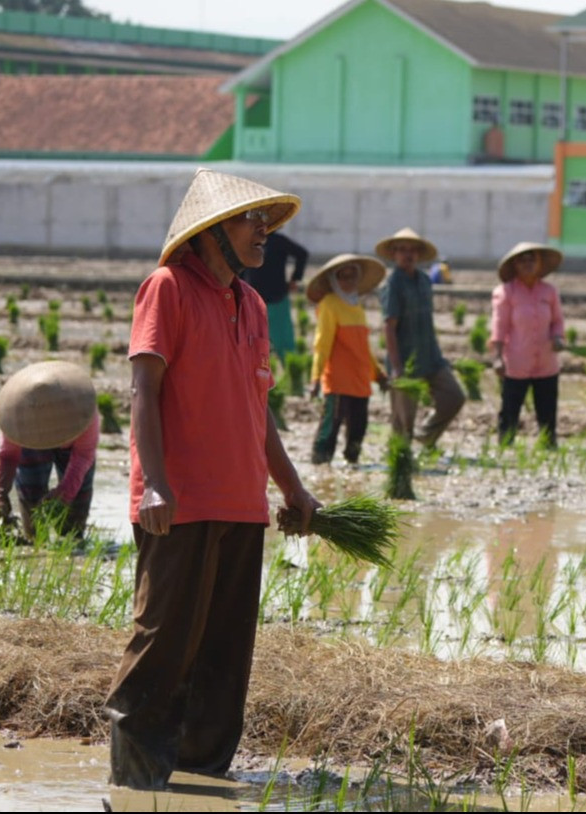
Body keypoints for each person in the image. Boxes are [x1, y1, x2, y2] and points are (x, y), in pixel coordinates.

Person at [105, 168, 319, 790]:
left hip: (242, 504)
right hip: (180, 501)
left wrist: (292, 488)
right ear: (209, 233)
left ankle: (200, 779)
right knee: (163, 643)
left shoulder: (251, 304)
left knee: (225, 655)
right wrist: (154, 484)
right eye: (251, 221)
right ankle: (135, 783)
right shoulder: (166, 288)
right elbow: (144, 388)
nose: (263, 233)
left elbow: (260, 410)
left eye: (265, 223)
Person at [0, 360, 98, 542]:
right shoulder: (18, 418)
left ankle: (73, 538)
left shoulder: (83, 414)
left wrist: (63, 494)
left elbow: (83, 457)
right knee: (31, 498)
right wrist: (1, 497)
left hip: (73, 447)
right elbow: (8, 456)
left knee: (77, 502)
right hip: (30, 444)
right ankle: (35, 540)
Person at [378, 227, 464, 448]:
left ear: (418, 254)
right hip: (404, 361)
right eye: (402, 250)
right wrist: (397, 367)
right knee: (403, 420)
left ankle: (425, 437)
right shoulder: (392, 284)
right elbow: (389, 326)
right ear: (394, 254)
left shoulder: (425, 281)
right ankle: (401, 464)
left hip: (431, 357)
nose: (408, 254)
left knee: (454, 397)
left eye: (412, 250)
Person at [306, 253, 388, 465]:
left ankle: (352, 465)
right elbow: (322, 343)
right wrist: (315, 377)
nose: (349, 281)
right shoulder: (330, 304)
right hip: (338, 380)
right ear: (334, 280)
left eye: (353, 276)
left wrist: (377, 373)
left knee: (358, 429)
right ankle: (320, 466)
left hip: (360, 379)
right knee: (330, 427)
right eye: (344, 276)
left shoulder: (356, 306)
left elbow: (363, 348)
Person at [490, 242, 566, 447]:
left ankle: (548, 446)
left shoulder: (549, 292)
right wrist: (497, 358)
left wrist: (558, 337)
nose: (527, 263)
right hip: (516, 362)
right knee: (510, 409)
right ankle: (505, 447)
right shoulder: (506, 292)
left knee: (547, 409)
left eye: (532, 258)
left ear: (540, 263)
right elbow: (500, 326)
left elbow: (557, 321)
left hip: (546, 361)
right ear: (515, 266)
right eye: (522, 260)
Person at [240, 231, 310, 364]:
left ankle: (293, 379)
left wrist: (295, 279)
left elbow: (302, 254)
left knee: (285, 345)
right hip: (251, 302)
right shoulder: (245, 240)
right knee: (251, 345)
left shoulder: (278, 241)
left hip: (276, 300)